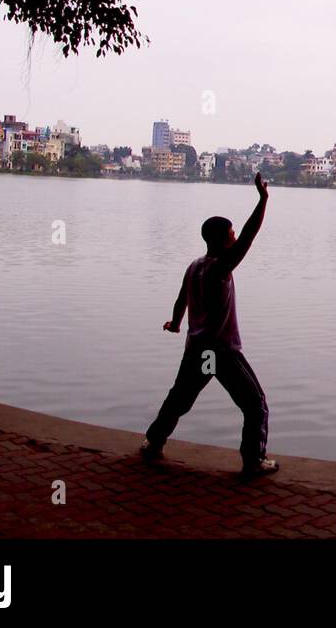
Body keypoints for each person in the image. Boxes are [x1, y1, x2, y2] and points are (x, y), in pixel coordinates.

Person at [142, 172, 278, 477]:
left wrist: (176, 324)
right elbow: (249, 236)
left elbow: (181, 300)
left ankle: (153, 442)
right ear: (218, 240)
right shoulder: (220, 267)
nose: (233, 238)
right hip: (221, 353)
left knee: (180, 398)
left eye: (231, 234)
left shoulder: (195, 266)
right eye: (229, 235)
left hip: (198, 351)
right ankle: (253, 461)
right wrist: (263, 199)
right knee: (255, 405)